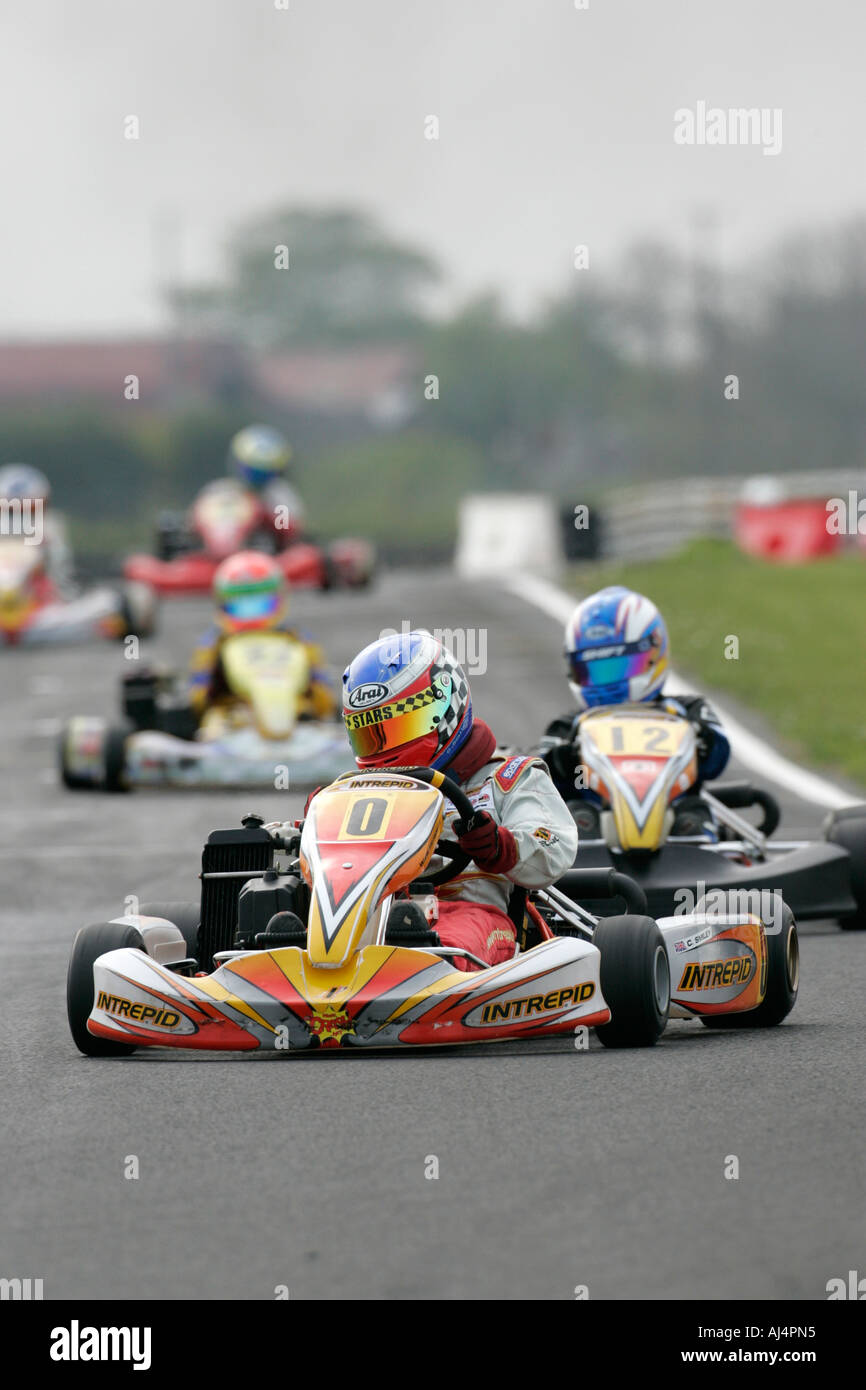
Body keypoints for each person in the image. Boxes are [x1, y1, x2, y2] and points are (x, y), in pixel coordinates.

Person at [339, 628, 578, 970]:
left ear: (445, 709)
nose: (386, 751)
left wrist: (501, 846)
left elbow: (553, 846)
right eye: (371, 737)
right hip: (370, 916)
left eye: (401, 727)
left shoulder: (506, 780)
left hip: (477, 915)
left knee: (440, 946)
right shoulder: (359, 796)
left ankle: (423, 971)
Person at [539, 586, 730, 833]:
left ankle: (700, 852)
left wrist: (702, 741)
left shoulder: (688, 711)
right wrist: (563, 759)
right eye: (597, 670)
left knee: (693, 815)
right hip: (595, 832)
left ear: (655, 653)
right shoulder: (569, 726)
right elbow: (543, 778)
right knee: (577, 818)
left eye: (621, 665)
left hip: (675, 824)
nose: (609, 682)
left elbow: (717, 760)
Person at [187, 551, 336, 723]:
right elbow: (198, 700)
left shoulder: (297, 639)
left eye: (260, 602)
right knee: (215, 722)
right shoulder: (214, 644)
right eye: (241, 604)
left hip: (295, 716)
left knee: (312, 717)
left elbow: (324, 699)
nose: (251, 613)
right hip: (233, 717)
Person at [0, 463, 74, 594]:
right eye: (11, 511)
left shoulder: (50, 528)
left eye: (30, 511)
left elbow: (61, 574)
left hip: (39, 601)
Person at [227, 424, 306, 546]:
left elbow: (286, 528)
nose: (257, 476)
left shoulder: (282, 497)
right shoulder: (225, 491)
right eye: (253, 470)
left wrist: (264, 514)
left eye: (263, 472)